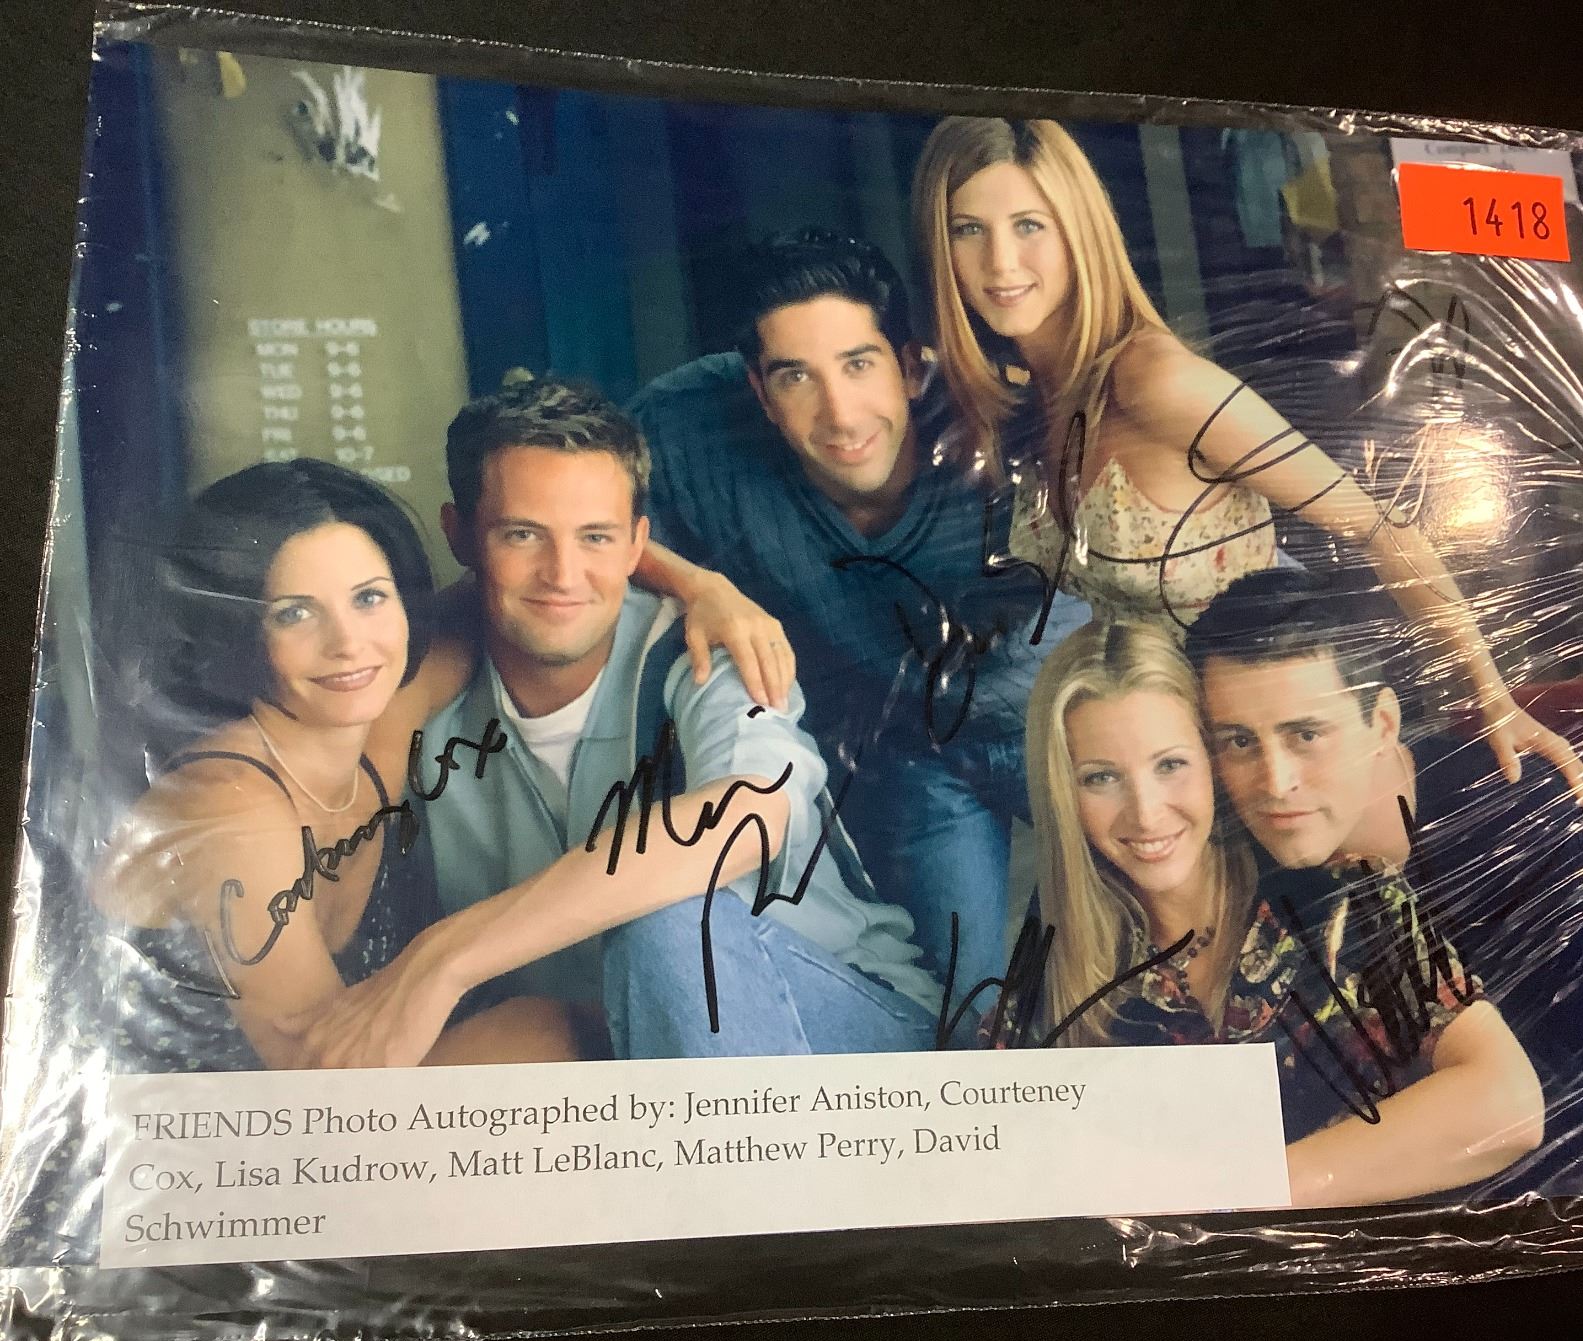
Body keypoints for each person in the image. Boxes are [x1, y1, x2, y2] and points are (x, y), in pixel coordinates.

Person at [910, 116, 1583, 818]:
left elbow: (1380, 526)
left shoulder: (1154, 381)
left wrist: (1492, 696)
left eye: (1029, 225)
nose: (1000, 262)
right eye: (968, 229)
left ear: (1078, 231)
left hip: (1282, 746)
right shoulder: (1030, 399)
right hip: (1179, 755)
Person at [293, 377, 943, 1068]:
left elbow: (749, 815)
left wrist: (448, 956)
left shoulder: (704, 650)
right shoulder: (420, 694)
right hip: (628, 1061)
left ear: (638, 546)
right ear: (461, 536)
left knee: (672, 921)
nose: (563, 574)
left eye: (595, 537)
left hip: (852, 1037)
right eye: (523, 535)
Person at [628, 228, 1088, 1006]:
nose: (840, 414)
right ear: (759, 392)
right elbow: (578, 516)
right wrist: (697, 583)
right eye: (796, 377)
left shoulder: (1000, 409)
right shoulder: (692, 423)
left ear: (910, 366)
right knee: (956, 1014)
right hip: (910, 756)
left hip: (1060, 723)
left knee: (1147, 953)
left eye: (859, 364)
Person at [1187, 568, 1583, 1195]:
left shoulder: (1521, 823)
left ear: (1382, 723)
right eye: (1239, 742)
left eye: (1306, 735)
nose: (1275, 782)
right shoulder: (1233, 857)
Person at [1019, 617, 1544, 1207]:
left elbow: (1509, 1103)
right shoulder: (1059, 956)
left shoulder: (1342, 898)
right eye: (1100, 777)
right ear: (1063, 792)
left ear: (1213, 762)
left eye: (1170, 765)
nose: (1146, 813)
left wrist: (1235, 1188)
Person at [96, 459, 576, 1071]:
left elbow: (531, 595)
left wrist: (692, 588)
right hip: (178, 1121)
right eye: (293, 613)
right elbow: (323, 1082)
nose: (349, 643)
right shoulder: (230, 800)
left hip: (317, 1115)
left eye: (369, 598)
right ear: (236, 629)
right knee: (544, 1028)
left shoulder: (375, 737)